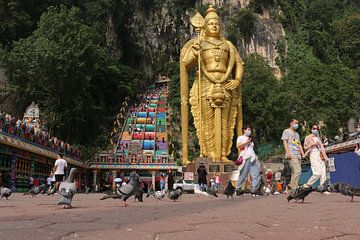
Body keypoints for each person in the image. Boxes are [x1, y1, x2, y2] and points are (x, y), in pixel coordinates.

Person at [235, 125, 261, 195]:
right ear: (244, 130)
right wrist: (246, 142)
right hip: (245, 157)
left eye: (250, 130)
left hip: (253, 157)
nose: (249, 131)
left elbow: (252, 148)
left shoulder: (251, 139)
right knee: (244, 173)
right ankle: (238, 188)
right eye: (248, 129)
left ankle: (254, 188)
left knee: (255, 173)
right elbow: (238, 146)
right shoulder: (241, 138)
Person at [303, 124, 330, 191]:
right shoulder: (308, 137)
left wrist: (326, 157)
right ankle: (307, 184)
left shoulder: (318, 138)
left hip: (320, 155)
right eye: (314, 128)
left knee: (323, 174)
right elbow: (305, 147)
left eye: (316, 129)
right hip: (313, 154)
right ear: (311, 129)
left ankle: (323, 189)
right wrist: (312, 144)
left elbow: (322, 148)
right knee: (317, 173)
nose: (315, 130)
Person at [281, 119, 305, 190]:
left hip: (298, 154)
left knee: (295, 172)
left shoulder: (297, 134)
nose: (296, 125)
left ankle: (292, 185)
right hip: (291, 154)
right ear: (291, 123)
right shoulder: (286, 131)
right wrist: (287, 152)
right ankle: (294, 187)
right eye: (295, 123)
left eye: (297, 123)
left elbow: (298, 144)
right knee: (298, 170)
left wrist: (302, 153)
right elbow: (285, 142)